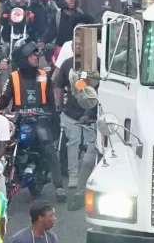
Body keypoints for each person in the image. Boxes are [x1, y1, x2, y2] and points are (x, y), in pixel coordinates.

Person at [0, 43, 65, 200]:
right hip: (19, 119)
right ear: (24, 58)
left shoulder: (43, 76)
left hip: (40, 119)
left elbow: (51, 102)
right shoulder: (14, 77)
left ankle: (59, 186)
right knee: (4, 143)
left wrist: (52, 115)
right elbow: (4, 98)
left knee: (47, 144)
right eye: (33, 55)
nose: (36, 58)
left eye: (37, 55)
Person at [54, 38, 99, 192]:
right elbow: (59, 85)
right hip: (71, 112)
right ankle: (73, 176)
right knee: (72, 144)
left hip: (91, 113)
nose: (78, 47)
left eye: (81, 44)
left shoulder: (97, 63)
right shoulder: (67, 64)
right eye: (75, 45)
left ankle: (87, 177)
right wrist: (59, 104)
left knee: (89, 146)